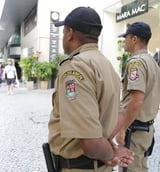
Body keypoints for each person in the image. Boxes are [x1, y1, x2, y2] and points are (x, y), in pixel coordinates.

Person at [48, 7, 134, 172]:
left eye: (63, 31)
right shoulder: (107, 66)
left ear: (70, 33)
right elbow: (119, 115)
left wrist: (112, 154)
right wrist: (110, 148)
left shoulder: (76, 67)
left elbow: (91, 143)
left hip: (79, 167)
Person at [114, 22, 160, 172]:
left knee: (131, 168)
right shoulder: (152, 62)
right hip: (145, 130)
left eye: (126, 37)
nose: (124, 41)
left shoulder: (136, 63)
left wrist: (122, 129)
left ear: (134, 39)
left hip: (134, 131)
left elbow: (136, 100)